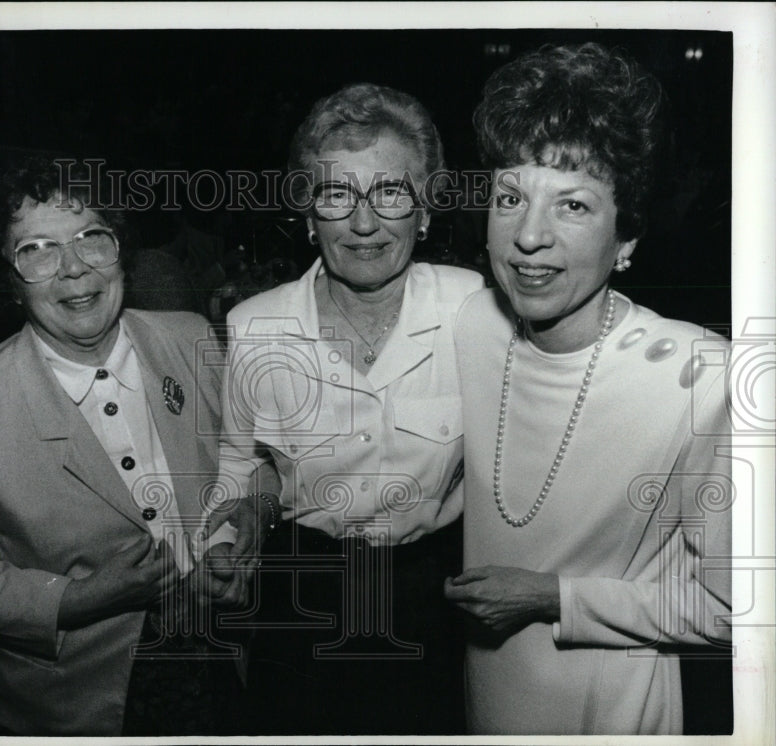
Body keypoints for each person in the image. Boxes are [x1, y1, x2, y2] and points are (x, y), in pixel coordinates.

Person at [445, 43, 732, 735]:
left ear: (626, 236)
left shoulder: (698, 376)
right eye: (510, 198)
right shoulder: (468, 328)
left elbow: (738, 610)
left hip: (611, 714)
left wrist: (555, 598)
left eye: (572, 205)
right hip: (484, 699)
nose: (529, 236)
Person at [0, 156, 244, 736]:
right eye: (36, 249)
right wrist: (75, 598)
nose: (73, 269)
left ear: (121, 249)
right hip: (68, 699)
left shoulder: (192, 337)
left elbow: (250, 470)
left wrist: (238, 536)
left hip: (224, 660)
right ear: (5, 276)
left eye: (92, 237)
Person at [208, 83, 484, 734]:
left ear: (424, 211)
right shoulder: (255, 326)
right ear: (308, 215)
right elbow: (239, 459)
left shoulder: (474, 311)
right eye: (337, 195)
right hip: (302, 598)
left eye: (390, 192)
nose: (364, 224)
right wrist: (235, 524)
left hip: (435, 598)